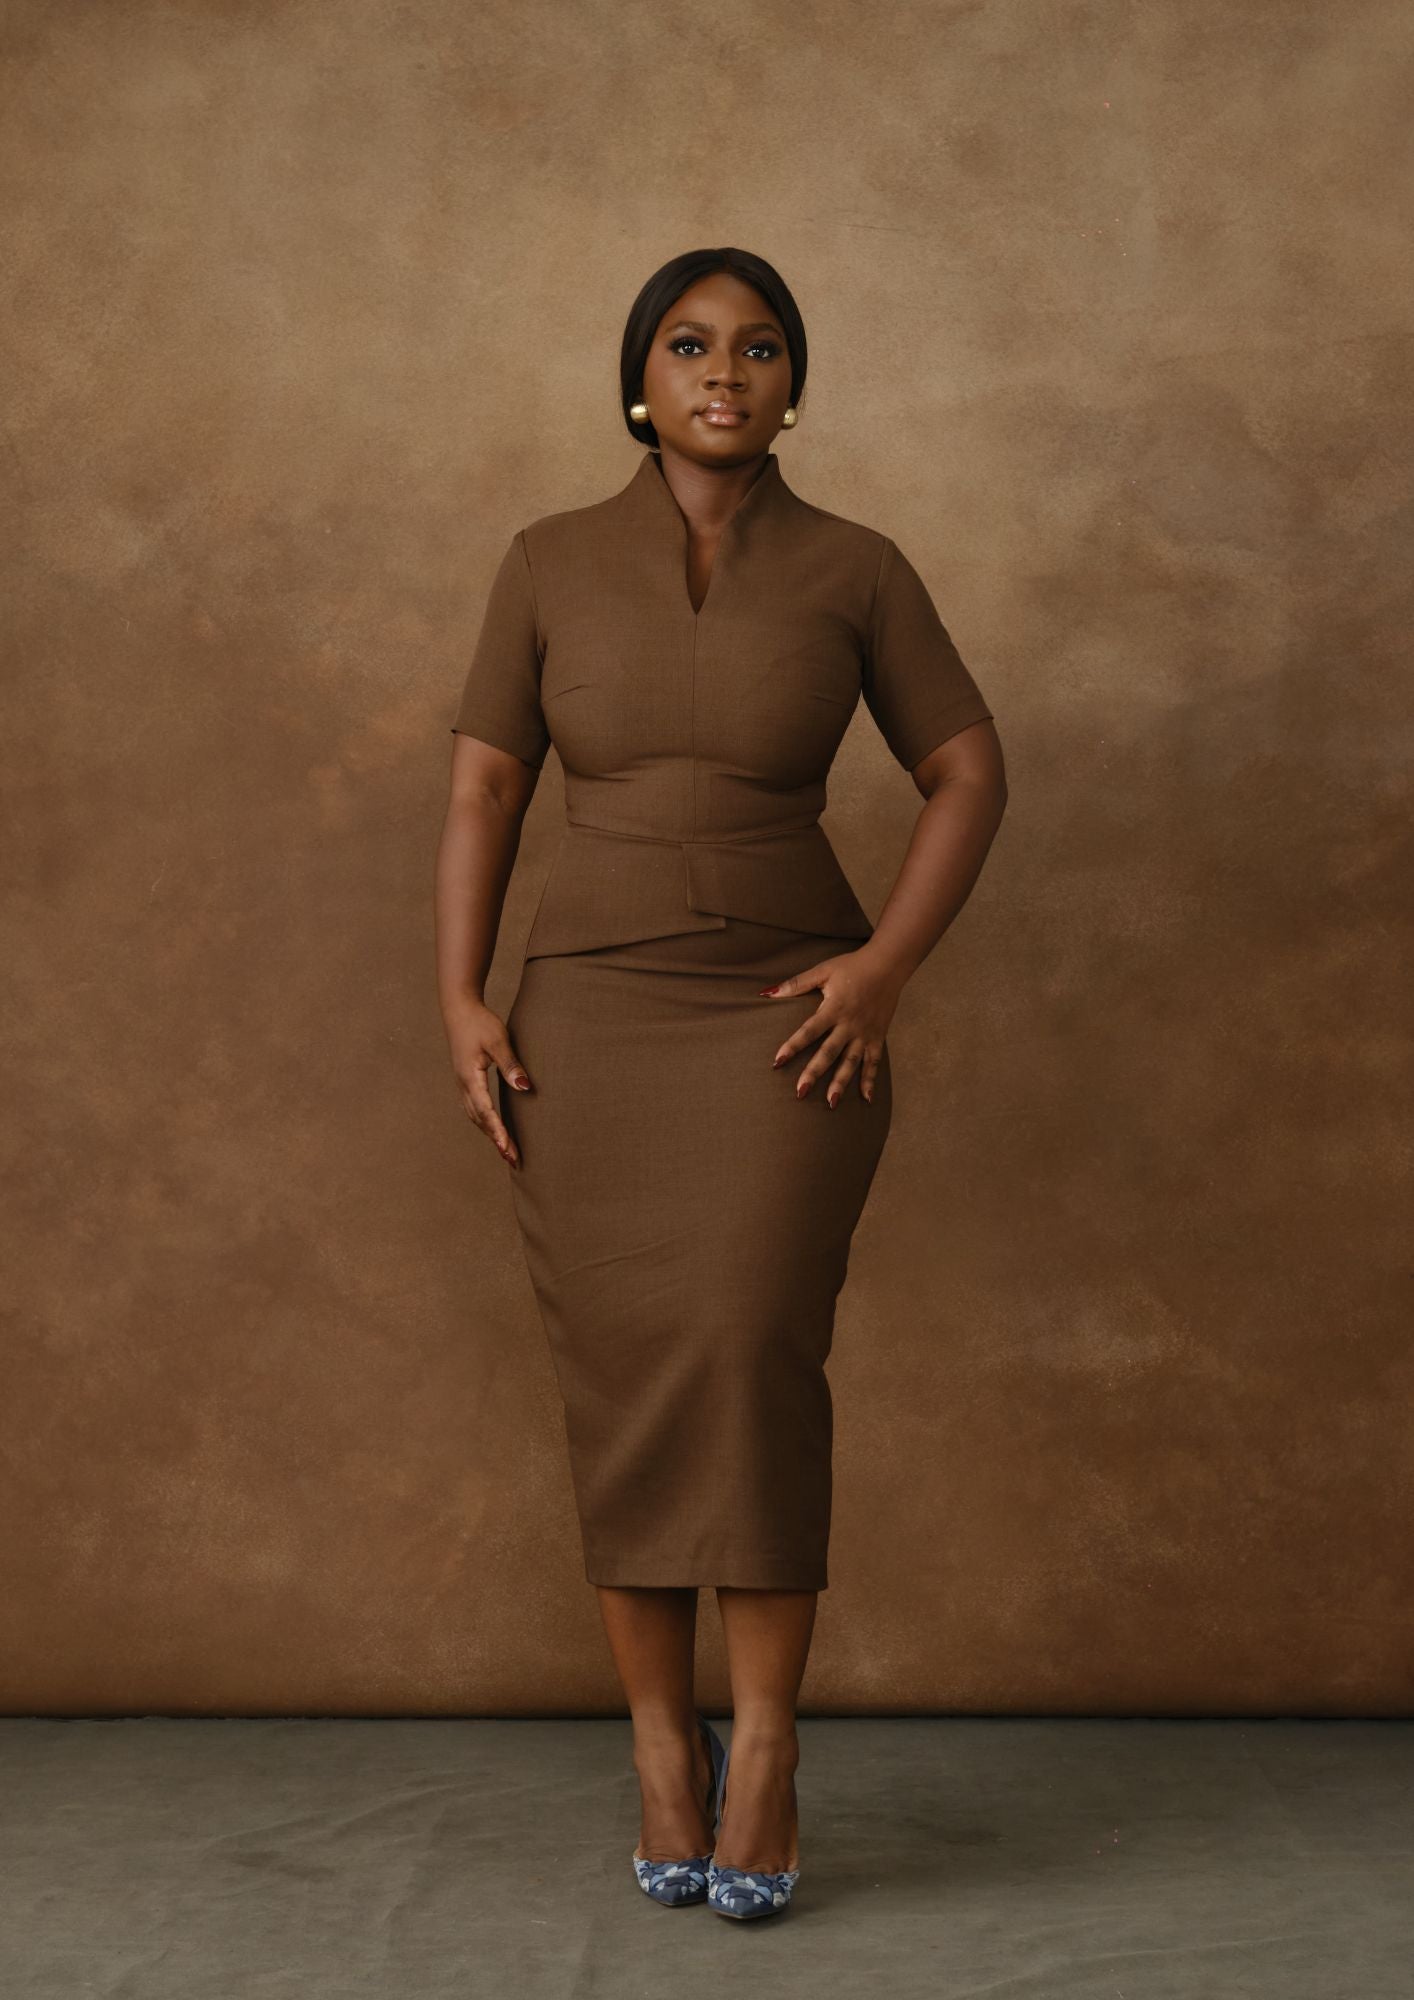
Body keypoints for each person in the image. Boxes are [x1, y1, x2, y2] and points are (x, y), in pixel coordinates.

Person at [434, 246, 1007, 1921]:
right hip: (585, 1023)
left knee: (753, 1356)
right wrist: (458, 995)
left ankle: (763, 1747)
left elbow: (969, 770)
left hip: (784, 1021)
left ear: (790, 387)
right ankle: (656, 1749)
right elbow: (483, 791)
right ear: (640, 380)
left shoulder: (857, 569)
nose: (722, 374)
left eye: (758, 350)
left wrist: (882, 967)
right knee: (624, 1377)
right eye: (688, 346)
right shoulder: (546, 562)